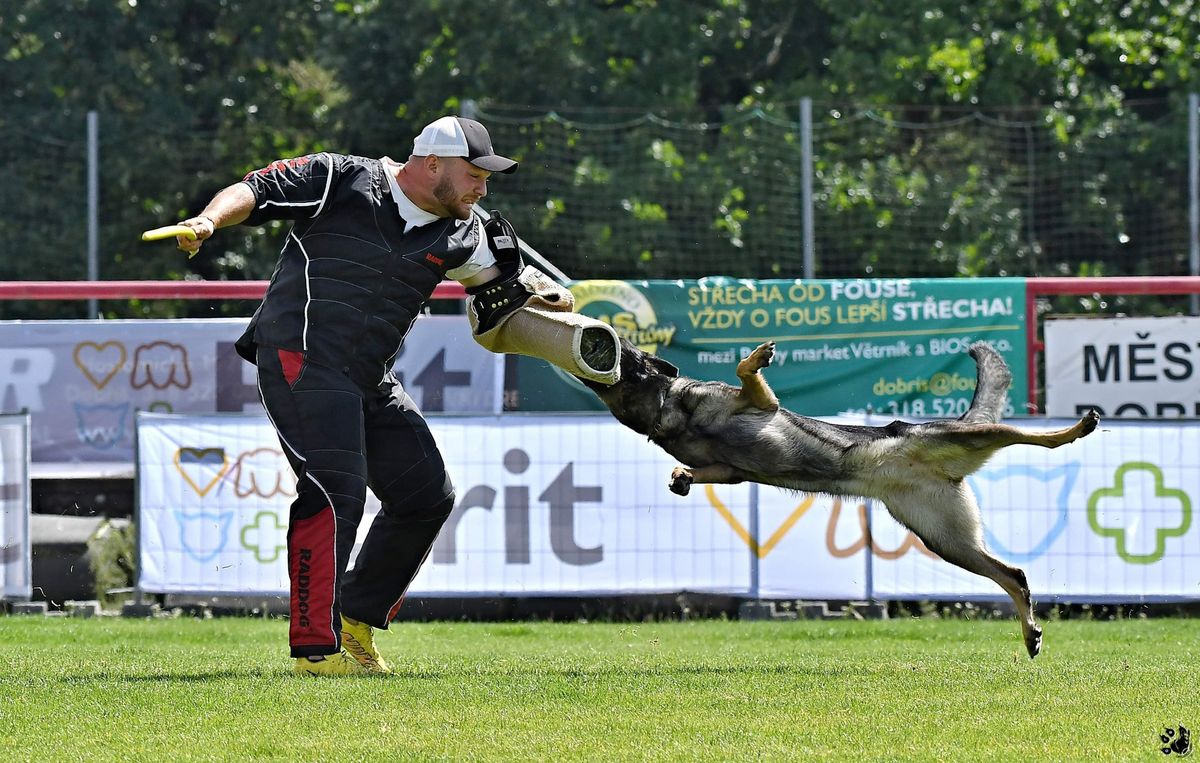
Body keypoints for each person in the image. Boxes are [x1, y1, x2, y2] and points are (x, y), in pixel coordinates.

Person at [172, 116, 522, 676]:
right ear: (433, 163)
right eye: (476, 172)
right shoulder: (340, 177)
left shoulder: (468, 231)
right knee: (336, 492)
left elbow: (505, 293)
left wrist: (543, 304)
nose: (484, 186)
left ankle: (356, 621)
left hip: (367, 376)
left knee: (426, 496)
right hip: (298, 358)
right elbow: (256, 189)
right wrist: (209, 221)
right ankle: (317, 650)